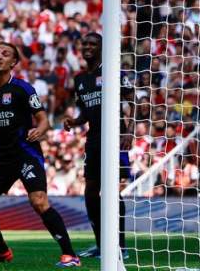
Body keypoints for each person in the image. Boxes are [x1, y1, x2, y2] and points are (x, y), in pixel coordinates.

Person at [0, 42, 79, 267]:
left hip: (26, 154)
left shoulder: (23, 88)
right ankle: (1, 251)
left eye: (5, 54)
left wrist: (40, 130)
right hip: (3, 158)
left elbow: (43, 120)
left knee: (39, 202)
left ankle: (70, 255)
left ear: (14, 63)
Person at [63, 32, 130, 259]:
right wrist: (75, 121)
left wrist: (129, 130)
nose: (88, 47)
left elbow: (132, 99)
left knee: (112, 190)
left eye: (93, 44)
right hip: (94, 139)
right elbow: (85, 111)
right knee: (90, 191)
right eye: (85, 44)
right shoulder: (80, 79)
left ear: (102, 48)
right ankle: (102, 244)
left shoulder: (113, 71)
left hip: (114, 137)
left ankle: (120, 246)